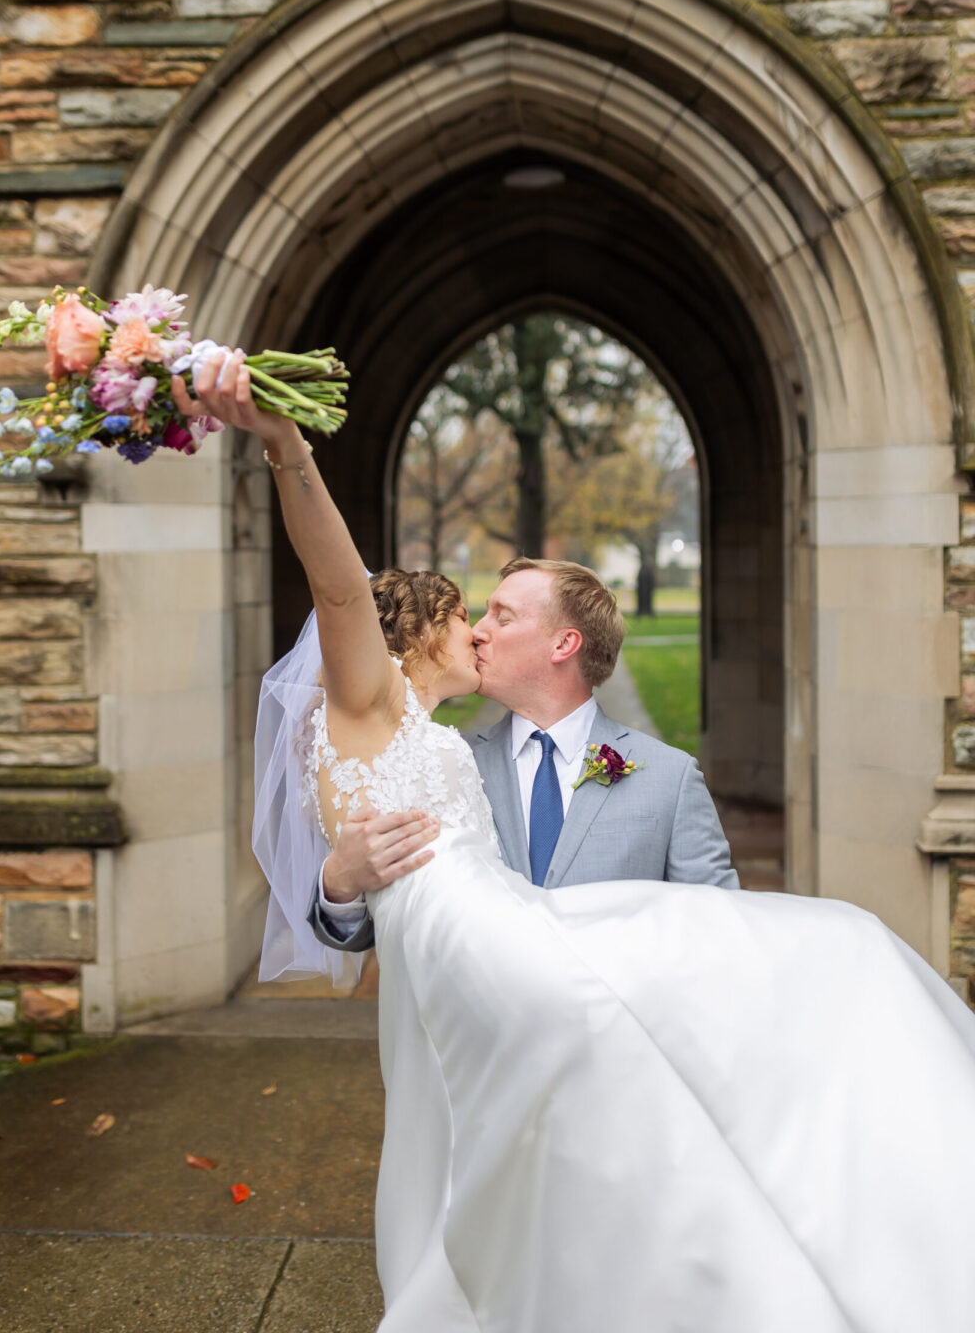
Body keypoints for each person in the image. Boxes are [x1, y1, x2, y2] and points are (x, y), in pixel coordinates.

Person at [176, 350, 975, 1333]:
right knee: (740, 985)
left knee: (813, 964)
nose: (479, 634)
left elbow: (707, 897)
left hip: (501, 940)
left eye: (498, 616)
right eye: (472, 616)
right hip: (473, 949)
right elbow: (338, 587)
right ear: (415, 636)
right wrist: (285, 446)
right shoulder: (370, 697)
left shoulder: (576, 759)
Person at [309, 555, 738, 958]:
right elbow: (392, 917)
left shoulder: (670, 776)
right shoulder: (443, 765)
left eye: (503, 616)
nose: (477, 630)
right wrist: (339, 886)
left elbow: (722, 928)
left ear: (563, 644)